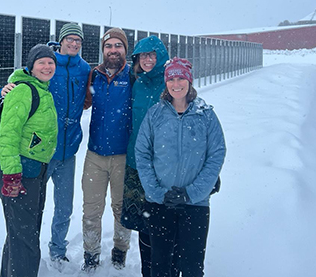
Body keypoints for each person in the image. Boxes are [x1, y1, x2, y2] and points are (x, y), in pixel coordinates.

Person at [0, 23, 90, 269]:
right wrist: (4, 90)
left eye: (77, 40)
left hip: (68, 150)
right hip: (39, 154)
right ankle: (26, 253)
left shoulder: (84, 69)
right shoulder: (48, 65)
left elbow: (91, 94)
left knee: (64, 206)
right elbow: (21, 83)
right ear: (60, 41)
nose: (73, 43)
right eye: (69, 39)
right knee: (30, 211)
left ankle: (57, 250)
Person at [135, 57, 227, 277]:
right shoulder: (155, 114)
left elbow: (216, 154)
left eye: (181, 78)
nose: (176, 84)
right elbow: (142, 153)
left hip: (195, 205)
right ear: (166, 82)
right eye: (172, 79)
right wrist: (156, 192)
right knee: (161, 265)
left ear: (190, 81)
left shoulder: (205, 115)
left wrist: (192, 193)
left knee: (191, 266)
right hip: (161, 203)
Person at [0, 44, 58, 277]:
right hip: (18, 176)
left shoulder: (41, 89)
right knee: (26, 242)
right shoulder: (23, 90)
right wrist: (12, 175)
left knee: (19, 236)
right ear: (31, 67)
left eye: (51, 62)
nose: (47, 66)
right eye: (41, 62)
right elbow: (7, 135)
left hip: (32, 174)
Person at [118, 35, 174, 277]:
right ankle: (147, 271)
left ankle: (165, 269)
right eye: (143, 55)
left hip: (163, 165)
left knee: (163, 221)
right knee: (143, 223)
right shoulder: (136, 83)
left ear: (160, 56)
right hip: (136, 162)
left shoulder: (171, 83)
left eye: (152, 55)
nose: (148, 60)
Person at [80, 27, 132, 272]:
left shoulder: (133, 77)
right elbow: (75, 99)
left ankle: (120, 252)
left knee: (121, 208)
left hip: (123, 155)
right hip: (95, 156)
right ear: (102, 50)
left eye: (118, 45)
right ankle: (91, 255)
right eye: (108, 46)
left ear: (125, 49)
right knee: (91, 209)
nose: (113, 50)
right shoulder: (94, 76)